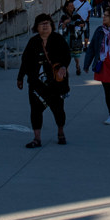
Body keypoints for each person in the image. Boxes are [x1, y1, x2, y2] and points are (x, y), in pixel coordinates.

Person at [16, 14, 69, 148]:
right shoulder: (33, 42)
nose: (45, 26)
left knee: (58, 110)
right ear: (36, 27)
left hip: (55, 83)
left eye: (47, 23)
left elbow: (66, 55)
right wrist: (20, 77)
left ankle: (60, 132)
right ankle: (37, 138)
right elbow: (25, 61)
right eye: (41, 24)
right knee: (35, 111)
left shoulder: (58, 39)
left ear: (51, 25)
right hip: (36, 83)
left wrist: (63, 67)